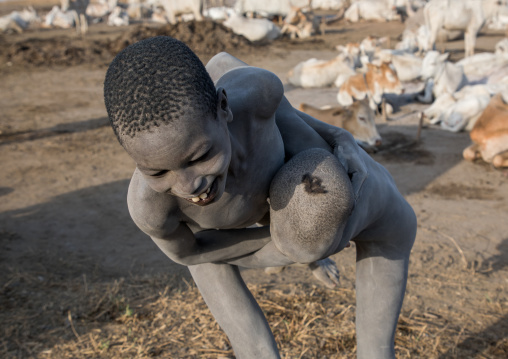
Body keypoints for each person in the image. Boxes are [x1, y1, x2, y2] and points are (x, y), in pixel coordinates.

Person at [104, 36, 417, 359]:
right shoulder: (153, 209)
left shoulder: (257, 97)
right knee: (255, 344)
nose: (189, 186)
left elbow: (238, 75)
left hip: (272, 162)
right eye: (156, 173)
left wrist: (339, 136)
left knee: (375, 222)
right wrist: (286, 248)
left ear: (224, 108)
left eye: (200, 156)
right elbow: (191, 255)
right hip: (208, 237)